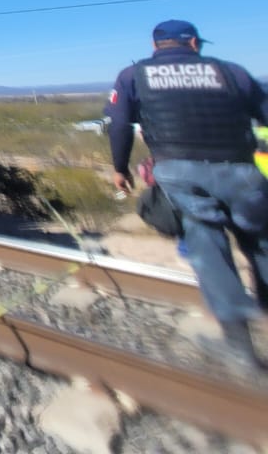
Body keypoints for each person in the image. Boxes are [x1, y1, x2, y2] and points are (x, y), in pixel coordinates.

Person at [106, 19, 268, 372]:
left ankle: (240, 347)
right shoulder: (231, 72)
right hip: (241, 169)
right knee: (262, 244)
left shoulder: (134, 76)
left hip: (180, 172)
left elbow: (119, 125)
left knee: (208, 247)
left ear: (155, 45)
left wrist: (119, 168)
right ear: (193, 43)